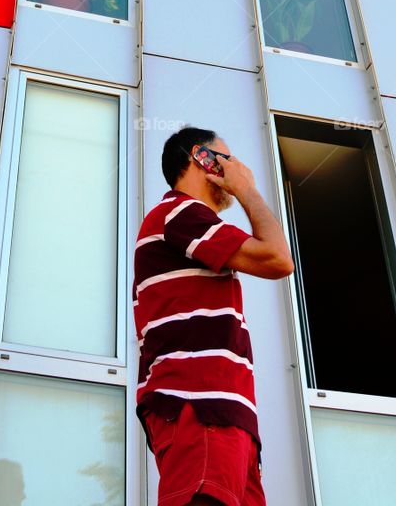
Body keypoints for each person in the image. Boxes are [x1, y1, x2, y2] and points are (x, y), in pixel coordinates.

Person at [133, 125, 294, 506]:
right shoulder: (178, 213)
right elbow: (278, 258)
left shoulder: (194, 224)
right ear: (200, 158)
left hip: (225, 418)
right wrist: (247, 190)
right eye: (228, 158)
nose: (237, 167)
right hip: (199, 407)